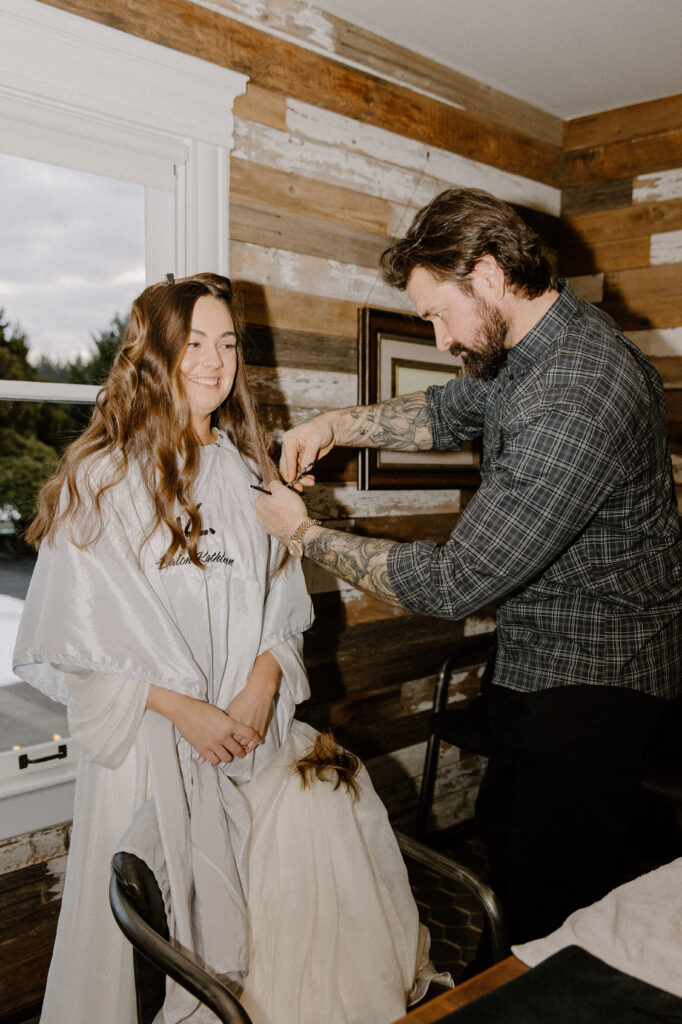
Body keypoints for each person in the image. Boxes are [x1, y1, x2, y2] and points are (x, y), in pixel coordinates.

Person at [255, 187, 682, 949]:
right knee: (507, 846)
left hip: (596, 680)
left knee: (561, 896)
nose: (442, 338)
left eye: (436, 314)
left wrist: (304, 535)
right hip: (531, 657)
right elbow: (448, 410)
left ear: (487, 276)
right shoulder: (530, 342)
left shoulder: (579, 391)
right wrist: (335, 425)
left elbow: (458, 582)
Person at [13, 273, 445, 1024]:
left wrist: (258, 688)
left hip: (251, 744)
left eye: (228, 343)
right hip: (146, 755)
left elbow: (284, 611)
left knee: (262, 933)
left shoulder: (251, 477)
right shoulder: (102, 480)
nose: (213, 361)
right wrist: (186, 713)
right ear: (153, 355)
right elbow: (72, 646)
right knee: (148, 953)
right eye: (193, 344)